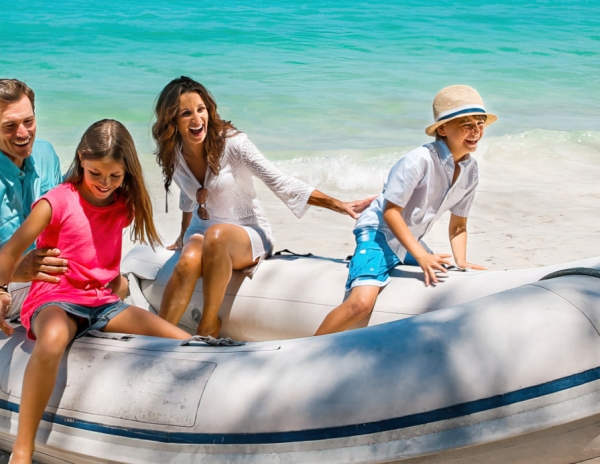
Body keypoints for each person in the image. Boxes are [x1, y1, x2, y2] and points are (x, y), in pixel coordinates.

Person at [0, 119, 190, 464]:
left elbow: (100, 257)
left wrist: (115, 283)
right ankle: (22, 449)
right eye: (95, 173)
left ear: (126, 172)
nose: (105, 183)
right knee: (54, 338)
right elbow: (10, 252)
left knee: (181, 340)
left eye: (115, 176)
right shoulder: (56, 201)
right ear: (81, 159)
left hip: (102, 303)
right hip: (55, 298)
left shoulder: (123, 204)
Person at [153, 76, 374, 339]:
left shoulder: (233, 143)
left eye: (201, 109)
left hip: (248, 232)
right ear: (172, 121)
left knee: (217, 237)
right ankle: (157, 338)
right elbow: (187, 195)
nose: (197, 119)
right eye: (185, 113)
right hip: (203, 229)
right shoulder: (174, 151)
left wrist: (337, 204)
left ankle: (209, 325)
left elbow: (278, 180)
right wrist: (182, 233)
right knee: (188, 260)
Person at [315, 84, 496, 336]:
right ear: (442, 129)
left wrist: (462, 261)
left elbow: (458, 226)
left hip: (408, 238)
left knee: (446, 273)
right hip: (378, 231)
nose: (475, 130)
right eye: (465, 123)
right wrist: (421, 256)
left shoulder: (470, 169)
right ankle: (302, 350)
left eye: (480, 123)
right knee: (361, 304)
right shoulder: (417, 161)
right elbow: (390, 212)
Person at [0, 79, 68, 317]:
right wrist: (17, 270)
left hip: (49, 277)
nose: (22, 133)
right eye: (9, 125)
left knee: (115, 283)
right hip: (6, 286)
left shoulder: (46, 153)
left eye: (28, 121)